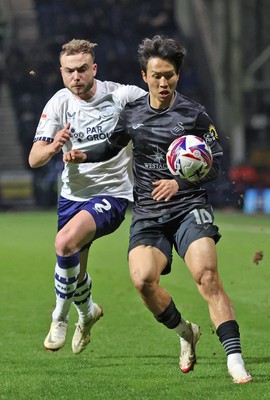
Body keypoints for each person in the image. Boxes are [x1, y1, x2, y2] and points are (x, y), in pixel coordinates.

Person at [63, 35, 252, 384]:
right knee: (143, 281)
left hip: (188, 207)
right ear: (144, 76)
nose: (163, 82)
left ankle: (235, 359)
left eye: (170, 75)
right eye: (156, 76)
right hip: (148, 214)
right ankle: (185, 332)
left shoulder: (194, 114)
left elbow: (217, 165)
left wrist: (180, 183)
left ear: (177, 75)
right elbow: (111, 145)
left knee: (207, 277)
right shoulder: (132, 113)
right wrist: (83, 154)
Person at [28, 39, 146, 354]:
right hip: (71, 196)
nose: (76, 77)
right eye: (70, 71)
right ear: (62, 72)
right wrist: (54, 146)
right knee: (74, 271)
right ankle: (87, 313)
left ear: (94, 68)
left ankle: (60, 316)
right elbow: (34, 159)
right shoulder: (58, 103)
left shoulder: (120, 96)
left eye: (82, 69)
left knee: (64, 243)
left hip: (113, 193)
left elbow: (163, 107)